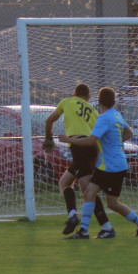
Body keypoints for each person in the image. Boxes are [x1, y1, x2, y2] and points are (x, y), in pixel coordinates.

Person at [59, 87, 138, 240]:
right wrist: (114, 142)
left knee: (110, 202)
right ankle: (87, 231)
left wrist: (68, 140)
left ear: (99, 101)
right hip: (112, 164)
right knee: (92, 194)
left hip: (111, 166)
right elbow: (129, 133)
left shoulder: (104, 118)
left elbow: (90, 141)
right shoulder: (116, 115)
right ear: (114, 102)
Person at [43, 83, 110, 236]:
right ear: (88, 97)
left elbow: (49, 121)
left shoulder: (67, 102)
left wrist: (48, 138)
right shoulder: (93, 111)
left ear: (74, 94)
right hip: (91, 149)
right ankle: (72, 215)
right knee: (64, 182)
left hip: (79, 147)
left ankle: (106, 226)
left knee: (88, 191)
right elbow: (98, 137)